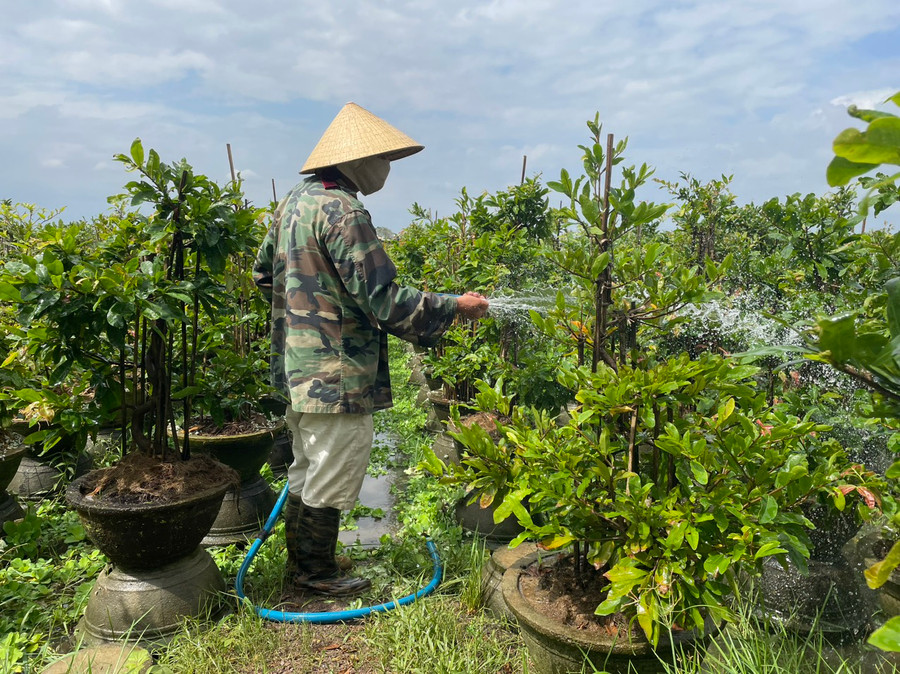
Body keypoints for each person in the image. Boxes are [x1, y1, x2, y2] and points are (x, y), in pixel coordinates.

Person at [253, 102, 489, 597]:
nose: (387, 169)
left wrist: (303, 311)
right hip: (336, 374)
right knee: (333, 469)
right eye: (384, 159)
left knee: (307, 467)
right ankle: (314, 575)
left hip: (298, 369)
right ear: (359, 159)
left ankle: (304, 565)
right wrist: (454, 307)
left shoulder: (296, 202)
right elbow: (382, 298)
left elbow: (262, 275)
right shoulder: (344, 209)